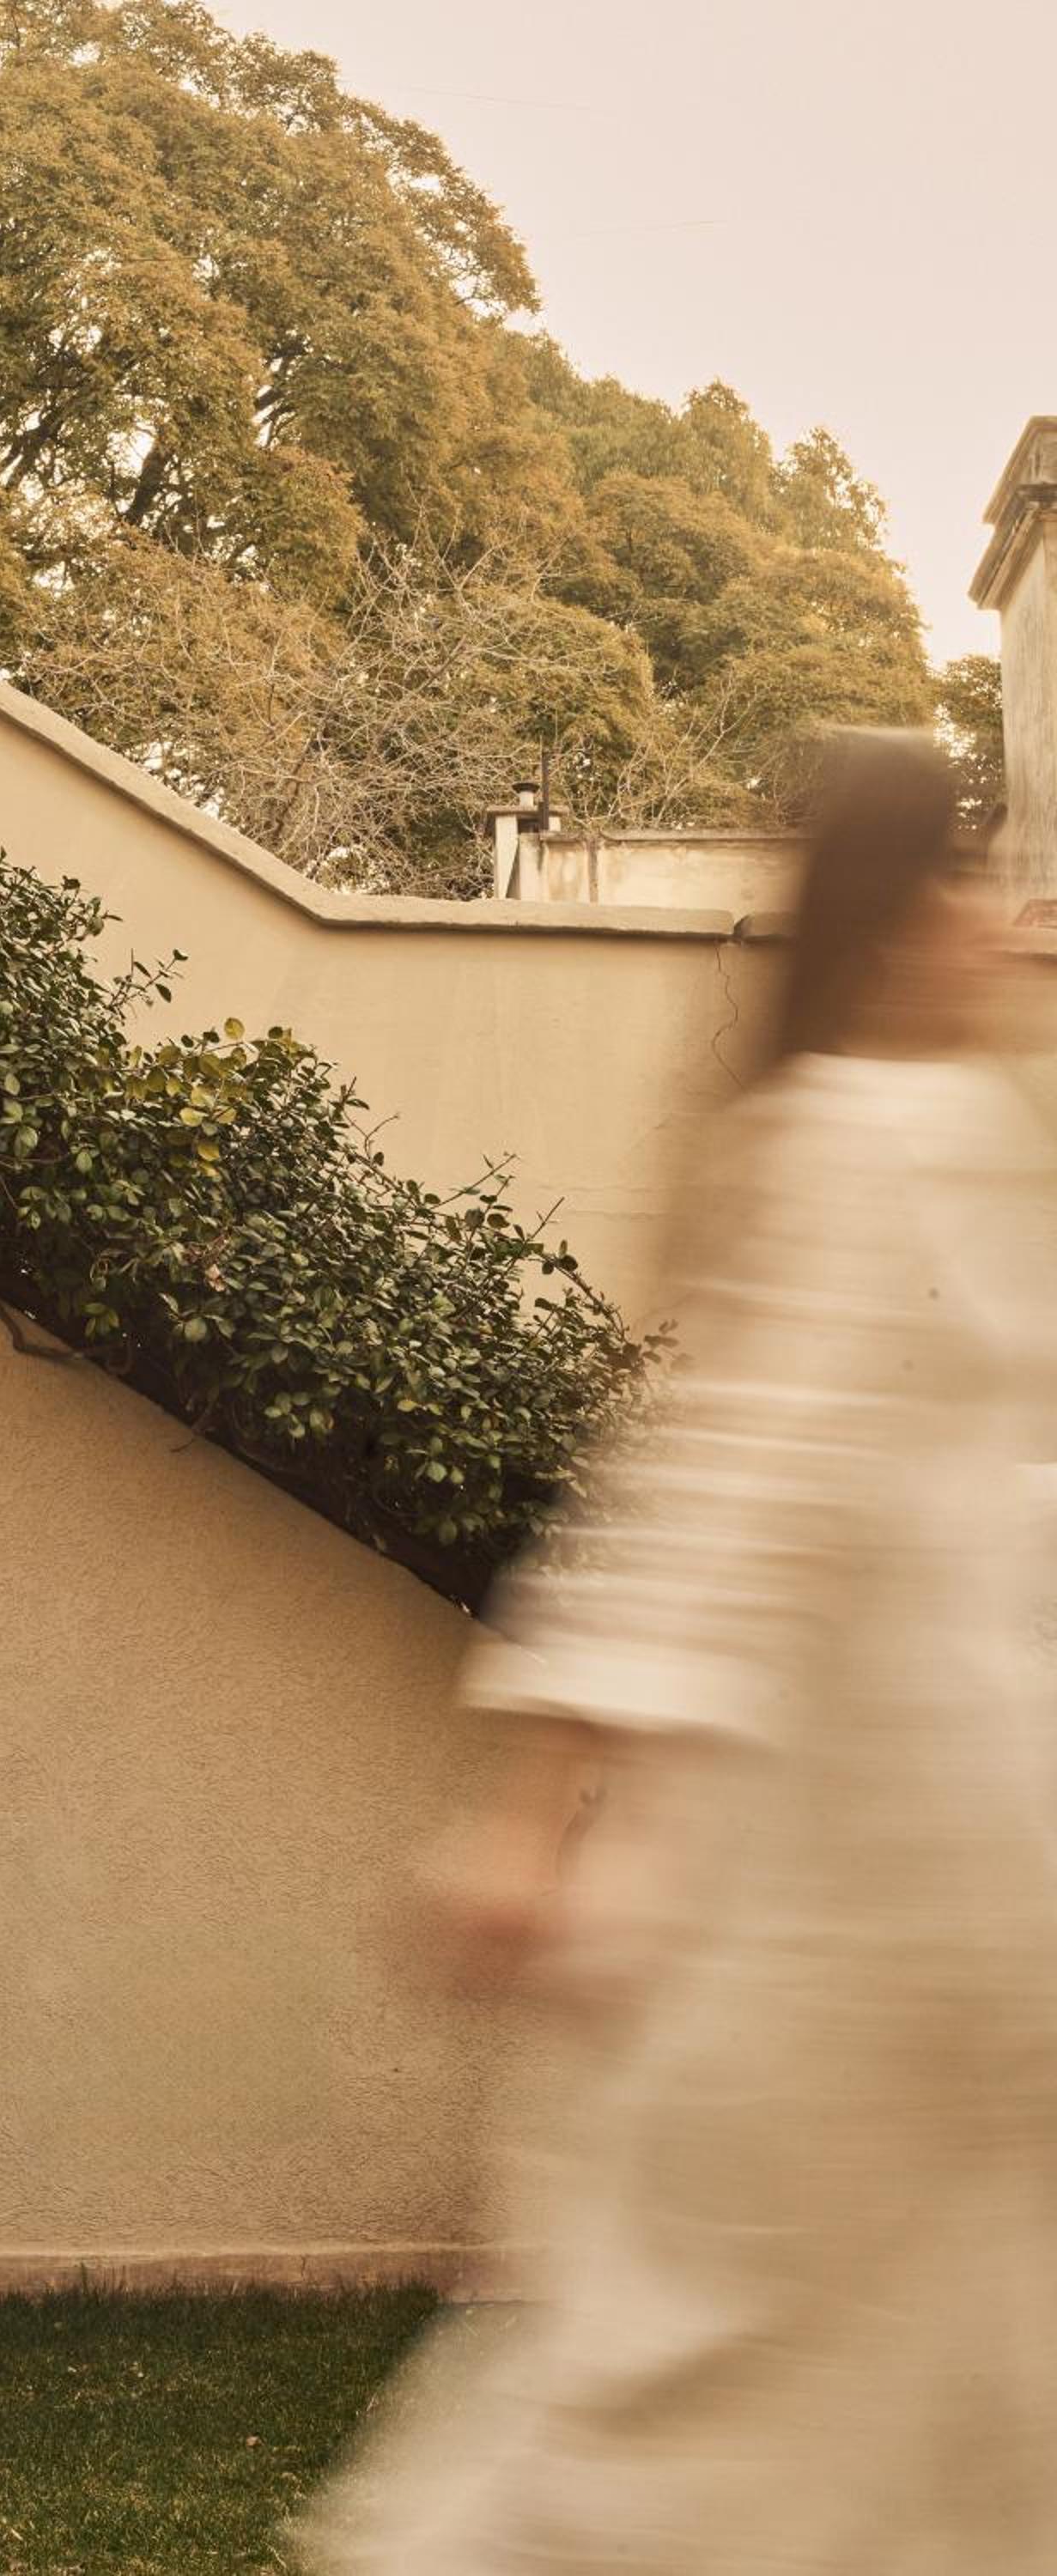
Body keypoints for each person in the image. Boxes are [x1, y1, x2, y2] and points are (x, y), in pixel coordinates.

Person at [296, 732, 1057, 2576]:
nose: (1006, 920)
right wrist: (538, 1814)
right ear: (899, 921)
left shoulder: (959, 1131)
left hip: (961, 1827)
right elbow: (721, 1492)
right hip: (877, 1846)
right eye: (972, 883)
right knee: (749, 2359)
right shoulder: (859, 1139)